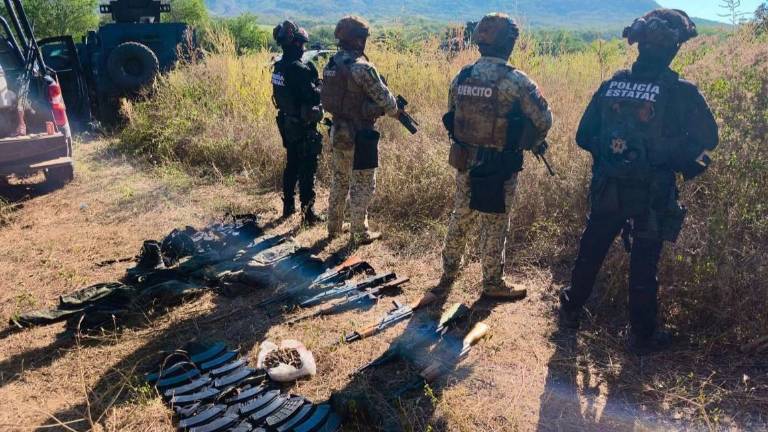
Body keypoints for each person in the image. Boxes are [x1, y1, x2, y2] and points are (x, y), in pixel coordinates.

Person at [558, 9, 719, 354]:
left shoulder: (611, 84)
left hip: (608, 187)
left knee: (591, 249)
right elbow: (709, 140)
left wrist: (612, 159)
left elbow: (584, 136)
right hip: (653, 193)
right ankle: (643, 335)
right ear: (674, 46)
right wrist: (670, 159)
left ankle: (571, 311)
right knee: (644, 262)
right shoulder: (680, 91)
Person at [436, 13, 553, 300]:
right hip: (500, 164)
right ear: (509, 43)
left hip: (465, 158)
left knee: (460, 214)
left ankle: (449, 272)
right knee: (496, 220)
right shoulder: (516, 81)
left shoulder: (462, 75)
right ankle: (492, 283)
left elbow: (453, 113)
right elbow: (544, 120)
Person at [320, 15, 400, 245]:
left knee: (339, 180)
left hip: (338, 130)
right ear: (357, 40)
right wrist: (386, 110)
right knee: (363, 183)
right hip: (360, 135)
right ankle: (359, 232)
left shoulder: (331, 64)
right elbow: (389, 103)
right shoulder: (362, 67)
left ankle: (333, 228)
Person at [272, 20, 325, 225]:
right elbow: (314, 97)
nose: (304, 48)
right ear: (295, 43)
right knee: (307, 168)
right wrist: (320, 85)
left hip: (287, 122)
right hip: (302, 126)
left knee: (291, 164)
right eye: (302, 44)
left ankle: (288, 208)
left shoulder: (279, 66)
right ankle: (308, 214)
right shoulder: (299, 69)